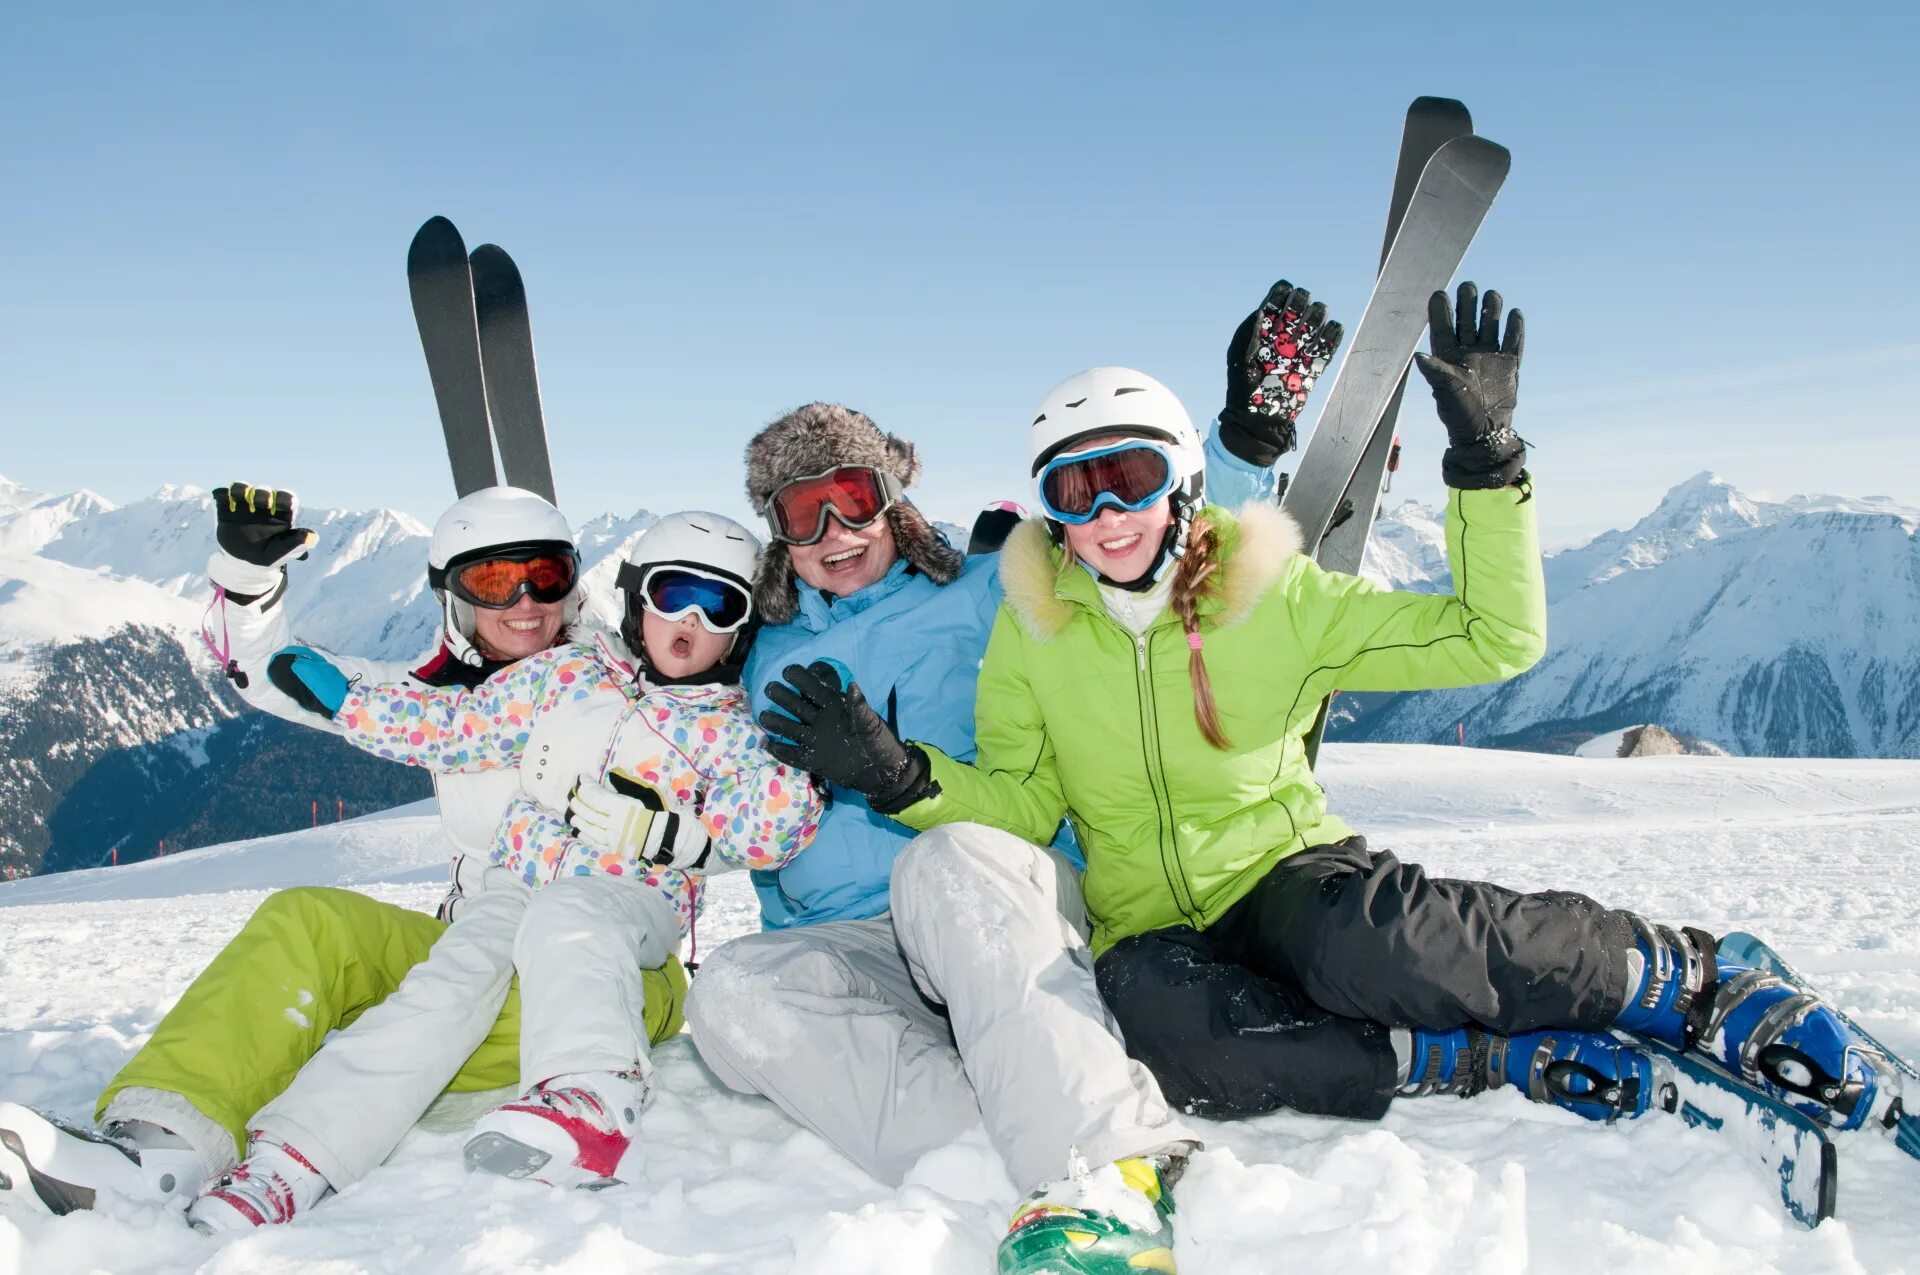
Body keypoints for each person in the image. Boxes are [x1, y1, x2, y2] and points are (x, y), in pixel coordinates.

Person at [758, 286, 1903, 1274]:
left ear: (1184, 484)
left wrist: (1486, 465)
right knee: (1171, 1039)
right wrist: (908, 779)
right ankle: (1473, 1060)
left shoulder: (1276, 597)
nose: (1106, 515)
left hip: (1280, 868)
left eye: (1130, 477)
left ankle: (1691, 980)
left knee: (1372, 949)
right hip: (1147, 918)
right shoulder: (1035, 630)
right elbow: (1022, 803)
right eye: (1074, 491)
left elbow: (1493, 639)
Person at [686, 285, 1339, 1275]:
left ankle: (1108, 1169)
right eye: (802, 512)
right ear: (778, 532)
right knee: (733, 993)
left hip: (1000, 899)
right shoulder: (763, 656)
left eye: (853, 498)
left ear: (891, 499)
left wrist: (1247, 434)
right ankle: (1014, 1157)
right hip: (862, 950)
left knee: (943, 860)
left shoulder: (991, 589)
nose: (834, 531)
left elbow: (1144, 550)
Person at [0, 485, 687, 1216]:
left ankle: (302, 1149)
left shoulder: (634, 676)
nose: (525, 599)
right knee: (307, 922)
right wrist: (248, 582)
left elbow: (721, 677)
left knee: (460, 986)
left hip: (607, 968)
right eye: (492, 579)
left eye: (545, 574)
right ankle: (155, 1152)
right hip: (475, 941)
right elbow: (279, 676)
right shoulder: (433, 698)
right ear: (452, 595)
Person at [178, 511, 820, 1230]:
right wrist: (350, 701)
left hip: (628, 900)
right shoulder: (570, 673)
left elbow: (770, 828)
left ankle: (590, 1096)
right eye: (674, 593)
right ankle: (290, 1162)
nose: (692, 619)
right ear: (639, 599)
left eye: (720, 605)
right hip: (516, 880)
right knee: (444, 986)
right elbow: (459, 728)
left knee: (570, 918)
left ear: (742, 626)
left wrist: (681, 821)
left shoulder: (732, 726)